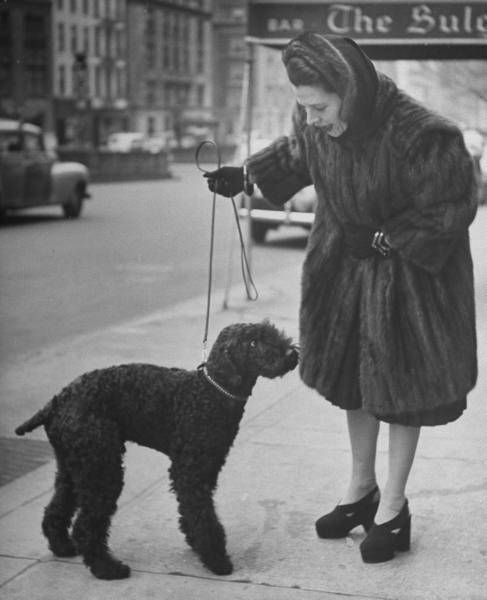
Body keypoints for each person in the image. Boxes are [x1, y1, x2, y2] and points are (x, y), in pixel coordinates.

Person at [204, 33, 478, 564]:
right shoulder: (314, 120)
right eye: (303, 106)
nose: (311, 118)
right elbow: (297, 152)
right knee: (353, 380)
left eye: (320, 107)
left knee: (402, 389)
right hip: (344, 272)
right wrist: (248, 177)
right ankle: (360, 490)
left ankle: (394, 509)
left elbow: (450, 207)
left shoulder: (422, 134)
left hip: (411, 285)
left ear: (350, 94)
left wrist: (384, 239)